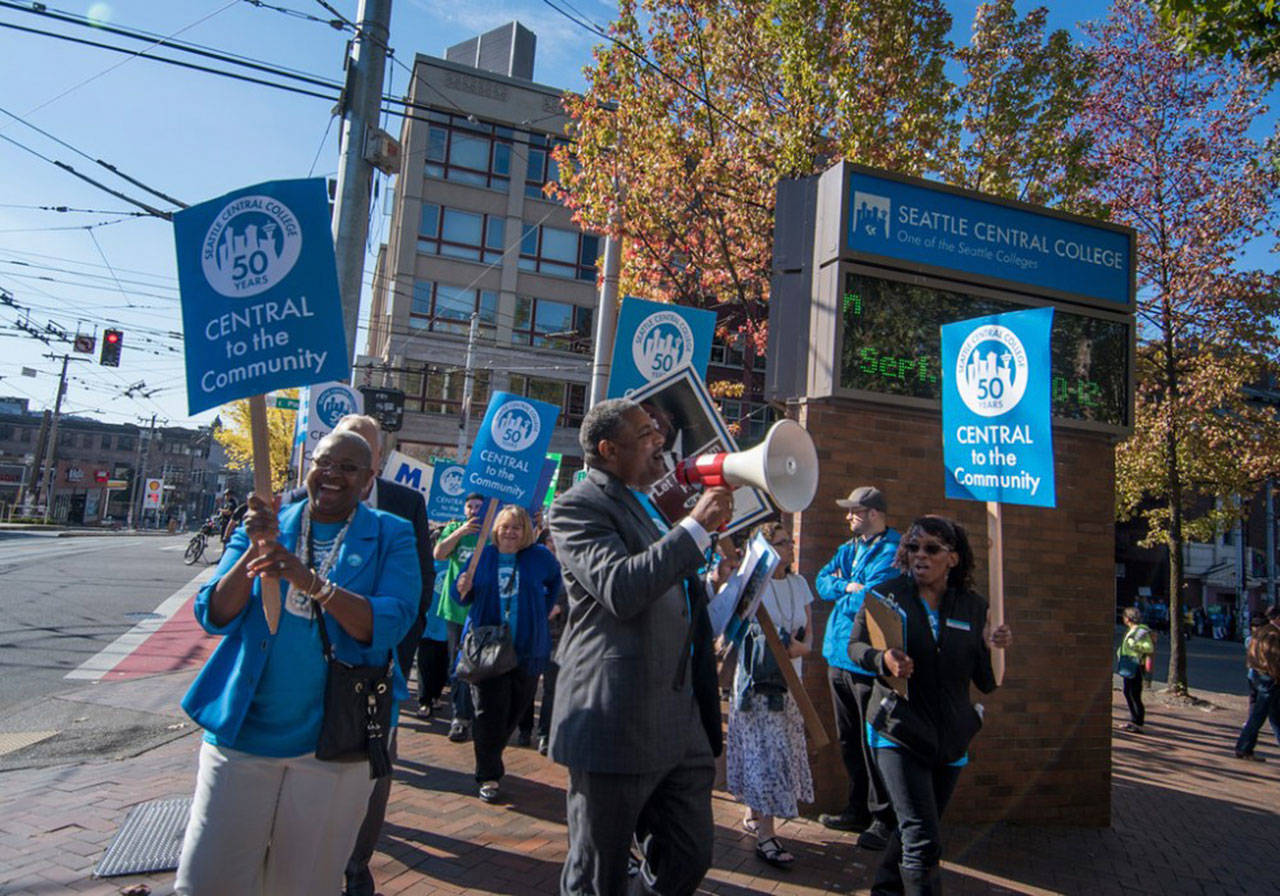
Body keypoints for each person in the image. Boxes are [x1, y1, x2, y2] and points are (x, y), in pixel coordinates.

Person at [174, 431, 421, 896]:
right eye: (324, 462)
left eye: (349, 468)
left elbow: (390, 621)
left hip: (334, 746)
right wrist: (253, 550)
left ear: (369, 480)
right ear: (309, 465)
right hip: (242, 737)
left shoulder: (391, 533)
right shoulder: (269, 524)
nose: (332, 474)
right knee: (207, 881)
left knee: (304, 884)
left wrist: (311, 582)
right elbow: (214, 614)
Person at [549, 398, 733, 896]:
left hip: (678, 720)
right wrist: (694, 527)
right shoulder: (577, 507)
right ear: (609, 449)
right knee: (599, 873)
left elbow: (670, 588)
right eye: (647, 433)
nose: (662, 442)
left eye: (659, 430)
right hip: (615, 719)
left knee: (689, 855)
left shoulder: (646, 505)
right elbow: (620, 588)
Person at [282, 414, 436, 896]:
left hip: (371, 671)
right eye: (332, 457)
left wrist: (395, 656)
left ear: (374, 466)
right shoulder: (294, 504)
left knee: (370, 766)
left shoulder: (404, 506)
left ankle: (355, 866)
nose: (339, 470)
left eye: (358, 457)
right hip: (301, 675)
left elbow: (418, 590)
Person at [849, 515, 1012, 896]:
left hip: (951, 738)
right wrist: (883, 660)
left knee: (917, 828)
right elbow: (855, 647)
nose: (920, 555)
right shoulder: (885, 594)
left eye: (932, 549)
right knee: (922, 837)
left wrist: (994, 648)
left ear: (953, 558)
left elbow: (986, 683)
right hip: (898, 729)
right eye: (913, 547)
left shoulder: (975, 608)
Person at [453, 505, 562, 801]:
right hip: (488, 648)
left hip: (527, 646)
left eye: (516, 527)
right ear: (495, 530)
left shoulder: (539, 557)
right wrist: (462, 586)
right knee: (488, 711)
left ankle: (490, 751)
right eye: (505, 527)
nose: (510, 533)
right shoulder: (483, 556)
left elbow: (555, 583)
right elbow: (460, 595)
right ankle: (488, 774)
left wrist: (542, 609)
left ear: (525, 531)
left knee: (514, 709)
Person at [815, 485, 901, 849]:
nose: (847, 516)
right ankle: (857, 810)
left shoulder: (893, 550)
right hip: (837, 656)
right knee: (849, 739)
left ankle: (884, 818)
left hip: (867, 661)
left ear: (874, 514)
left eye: (854, 510)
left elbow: (871, 596)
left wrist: (849, 589)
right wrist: (845, 586)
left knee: (873, 742)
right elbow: (821, 583)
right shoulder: (847, 548)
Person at [726, 521, 814, 868]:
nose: (786, 549)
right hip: (756, 684)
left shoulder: (799, 584)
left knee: (776, 752)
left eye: (787, 543)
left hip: (789, 684)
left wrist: (797, 649)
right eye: (777, 544)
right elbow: (734, 626)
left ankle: (754, 813)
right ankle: (766, 834)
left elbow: (809, 639)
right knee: (765, 754)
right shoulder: (753, 586)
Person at [434, 493, 485, 742]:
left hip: (481, 611)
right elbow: (439, 554)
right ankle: (460, 718)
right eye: (470, 506)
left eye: (478, 506)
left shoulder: (491, 532)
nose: (474, 510)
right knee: (458, 665)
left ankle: (479, 713)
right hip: (455, 610)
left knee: (481, 666)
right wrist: (460, 533)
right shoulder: (455, 528)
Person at [517, 528, 567, 755]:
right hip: (532, 634)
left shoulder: (571, 567)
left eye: (557, 540)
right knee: (527, 685)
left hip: (558, 638)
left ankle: (545, 734)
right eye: (549, 540)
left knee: (551, 689)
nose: (553, 544)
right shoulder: (532, 567)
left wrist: (561, 608)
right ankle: (524, 729)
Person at [1234, 606, 1280, 761]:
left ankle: (1244, 747)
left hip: (1257, 675)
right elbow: (1274, 659)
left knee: (1273, 715)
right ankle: (1244, 747)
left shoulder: (1261, 631)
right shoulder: (1273, 634)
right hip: (1268, 678)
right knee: (1260, 715)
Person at [1116, 606, 1155, 733]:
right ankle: (1134, 720)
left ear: (1128, 618)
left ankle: (1138, 722)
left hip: (1136, 665)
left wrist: (1135, 645)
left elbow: (1149, 647)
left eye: (1124, 617)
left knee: (1134, 694)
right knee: (1128, 692)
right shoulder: (1131, 630)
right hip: (1129, 664)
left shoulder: (1140, 631)